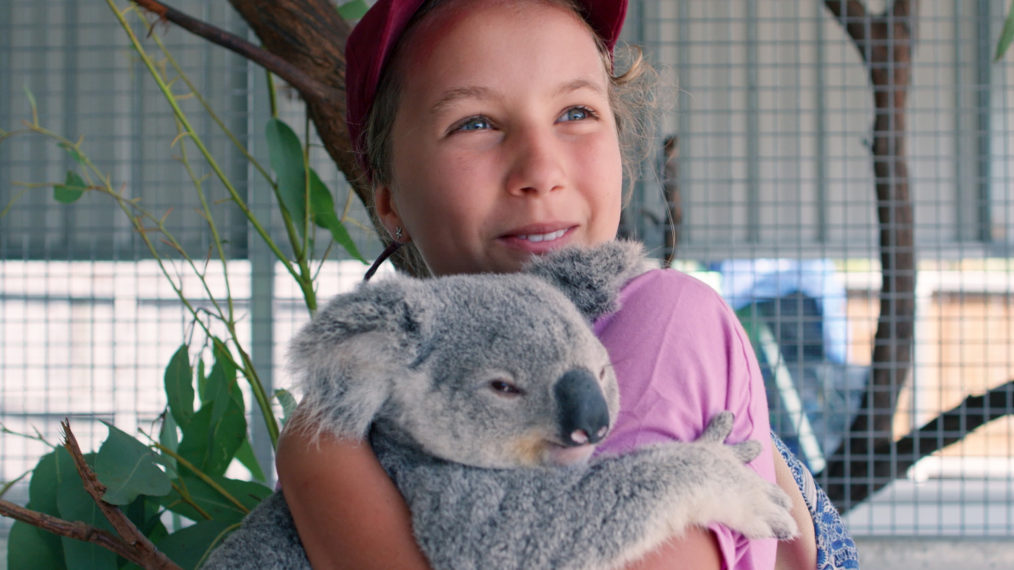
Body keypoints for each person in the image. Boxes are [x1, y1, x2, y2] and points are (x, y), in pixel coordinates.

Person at [276, 0, 854, 568]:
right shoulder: (344, 426)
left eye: (576, 113)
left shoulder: (669, 316)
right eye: (474, 123)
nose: (540, 170)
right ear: (387, 200)